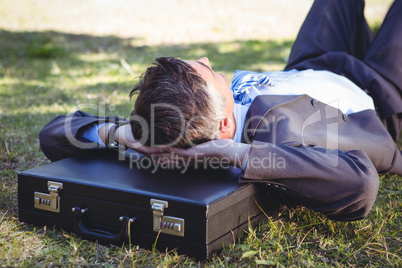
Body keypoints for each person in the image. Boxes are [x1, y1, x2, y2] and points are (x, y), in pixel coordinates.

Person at [39, 0, 402, 221]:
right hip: (381, 92)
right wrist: (236, 152)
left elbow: (52, 133)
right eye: (209, 71)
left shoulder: (168, 119)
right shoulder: (281, 139)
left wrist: (119, 133)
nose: (208, 59)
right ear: (226, 124)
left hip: (309, 64)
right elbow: (361, 186)